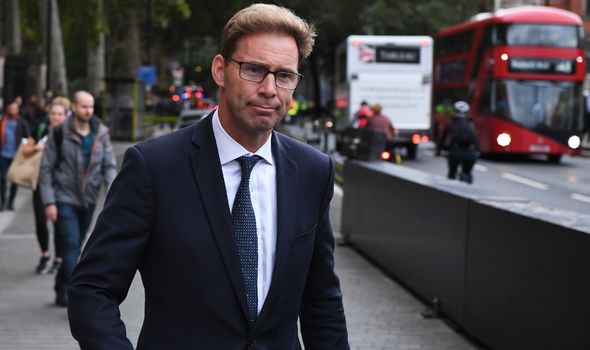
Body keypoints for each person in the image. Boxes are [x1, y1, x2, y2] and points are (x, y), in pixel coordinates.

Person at [67, 4, 349, 349]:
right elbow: (92, 289)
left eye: (284, 75)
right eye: (254, 69)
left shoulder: (313, 171)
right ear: (220, 69)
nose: (269, 88)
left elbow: (322, 302)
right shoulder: (153, 167)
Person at [39, 91, 117, 307]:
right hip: (64, 197)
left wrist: (114, 196)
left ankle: (61, 285)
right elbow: (46, 169)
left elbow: (109, 167)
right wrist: (49, 202)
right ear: (73, 106)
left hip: (89, 200)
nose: (88, 111)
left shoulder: (101, 133)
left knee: (75, 247)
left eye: (91, 107)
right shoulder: (60, 133)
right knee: (71, 244)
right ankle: (80, 297)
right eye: (83, 106)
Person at [23, 98, 70, 274]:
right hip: (41, 183)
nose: (56, 117)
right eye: (53, 113)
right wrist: (38, 148)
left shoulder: (68, 133)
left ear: (65, 116)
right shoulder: (41, 129)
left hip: (62, 185)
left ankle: (59, 258)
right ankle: (45, 254)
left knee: (60, 223)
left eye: (59, 114)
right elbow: (25, 150)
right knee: (40, 222)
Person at [436, 101, 478, 184]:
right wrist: (477, 152)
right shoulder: (471, 123)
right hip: (470, 153)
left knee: (452, 173)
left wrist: (438, 151)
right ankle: (468, 182)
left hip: (455, 151)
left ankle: (451, 185)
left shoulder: (450, 123)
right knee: (468, 172)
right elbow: (476, 139)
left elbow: (442, 139)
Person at [0, 98, 30, 210]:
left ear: (17, 110)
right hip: (3, 154)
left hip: (16, 155)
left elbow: (27, 137)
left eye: (14, 108)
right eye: (10, 108)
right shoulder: (2, 121)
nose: (12, 110)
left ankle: (11, 201)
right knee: (2, 178)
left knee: (14, 179)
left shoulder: (21, 122)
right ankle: (3, 201)